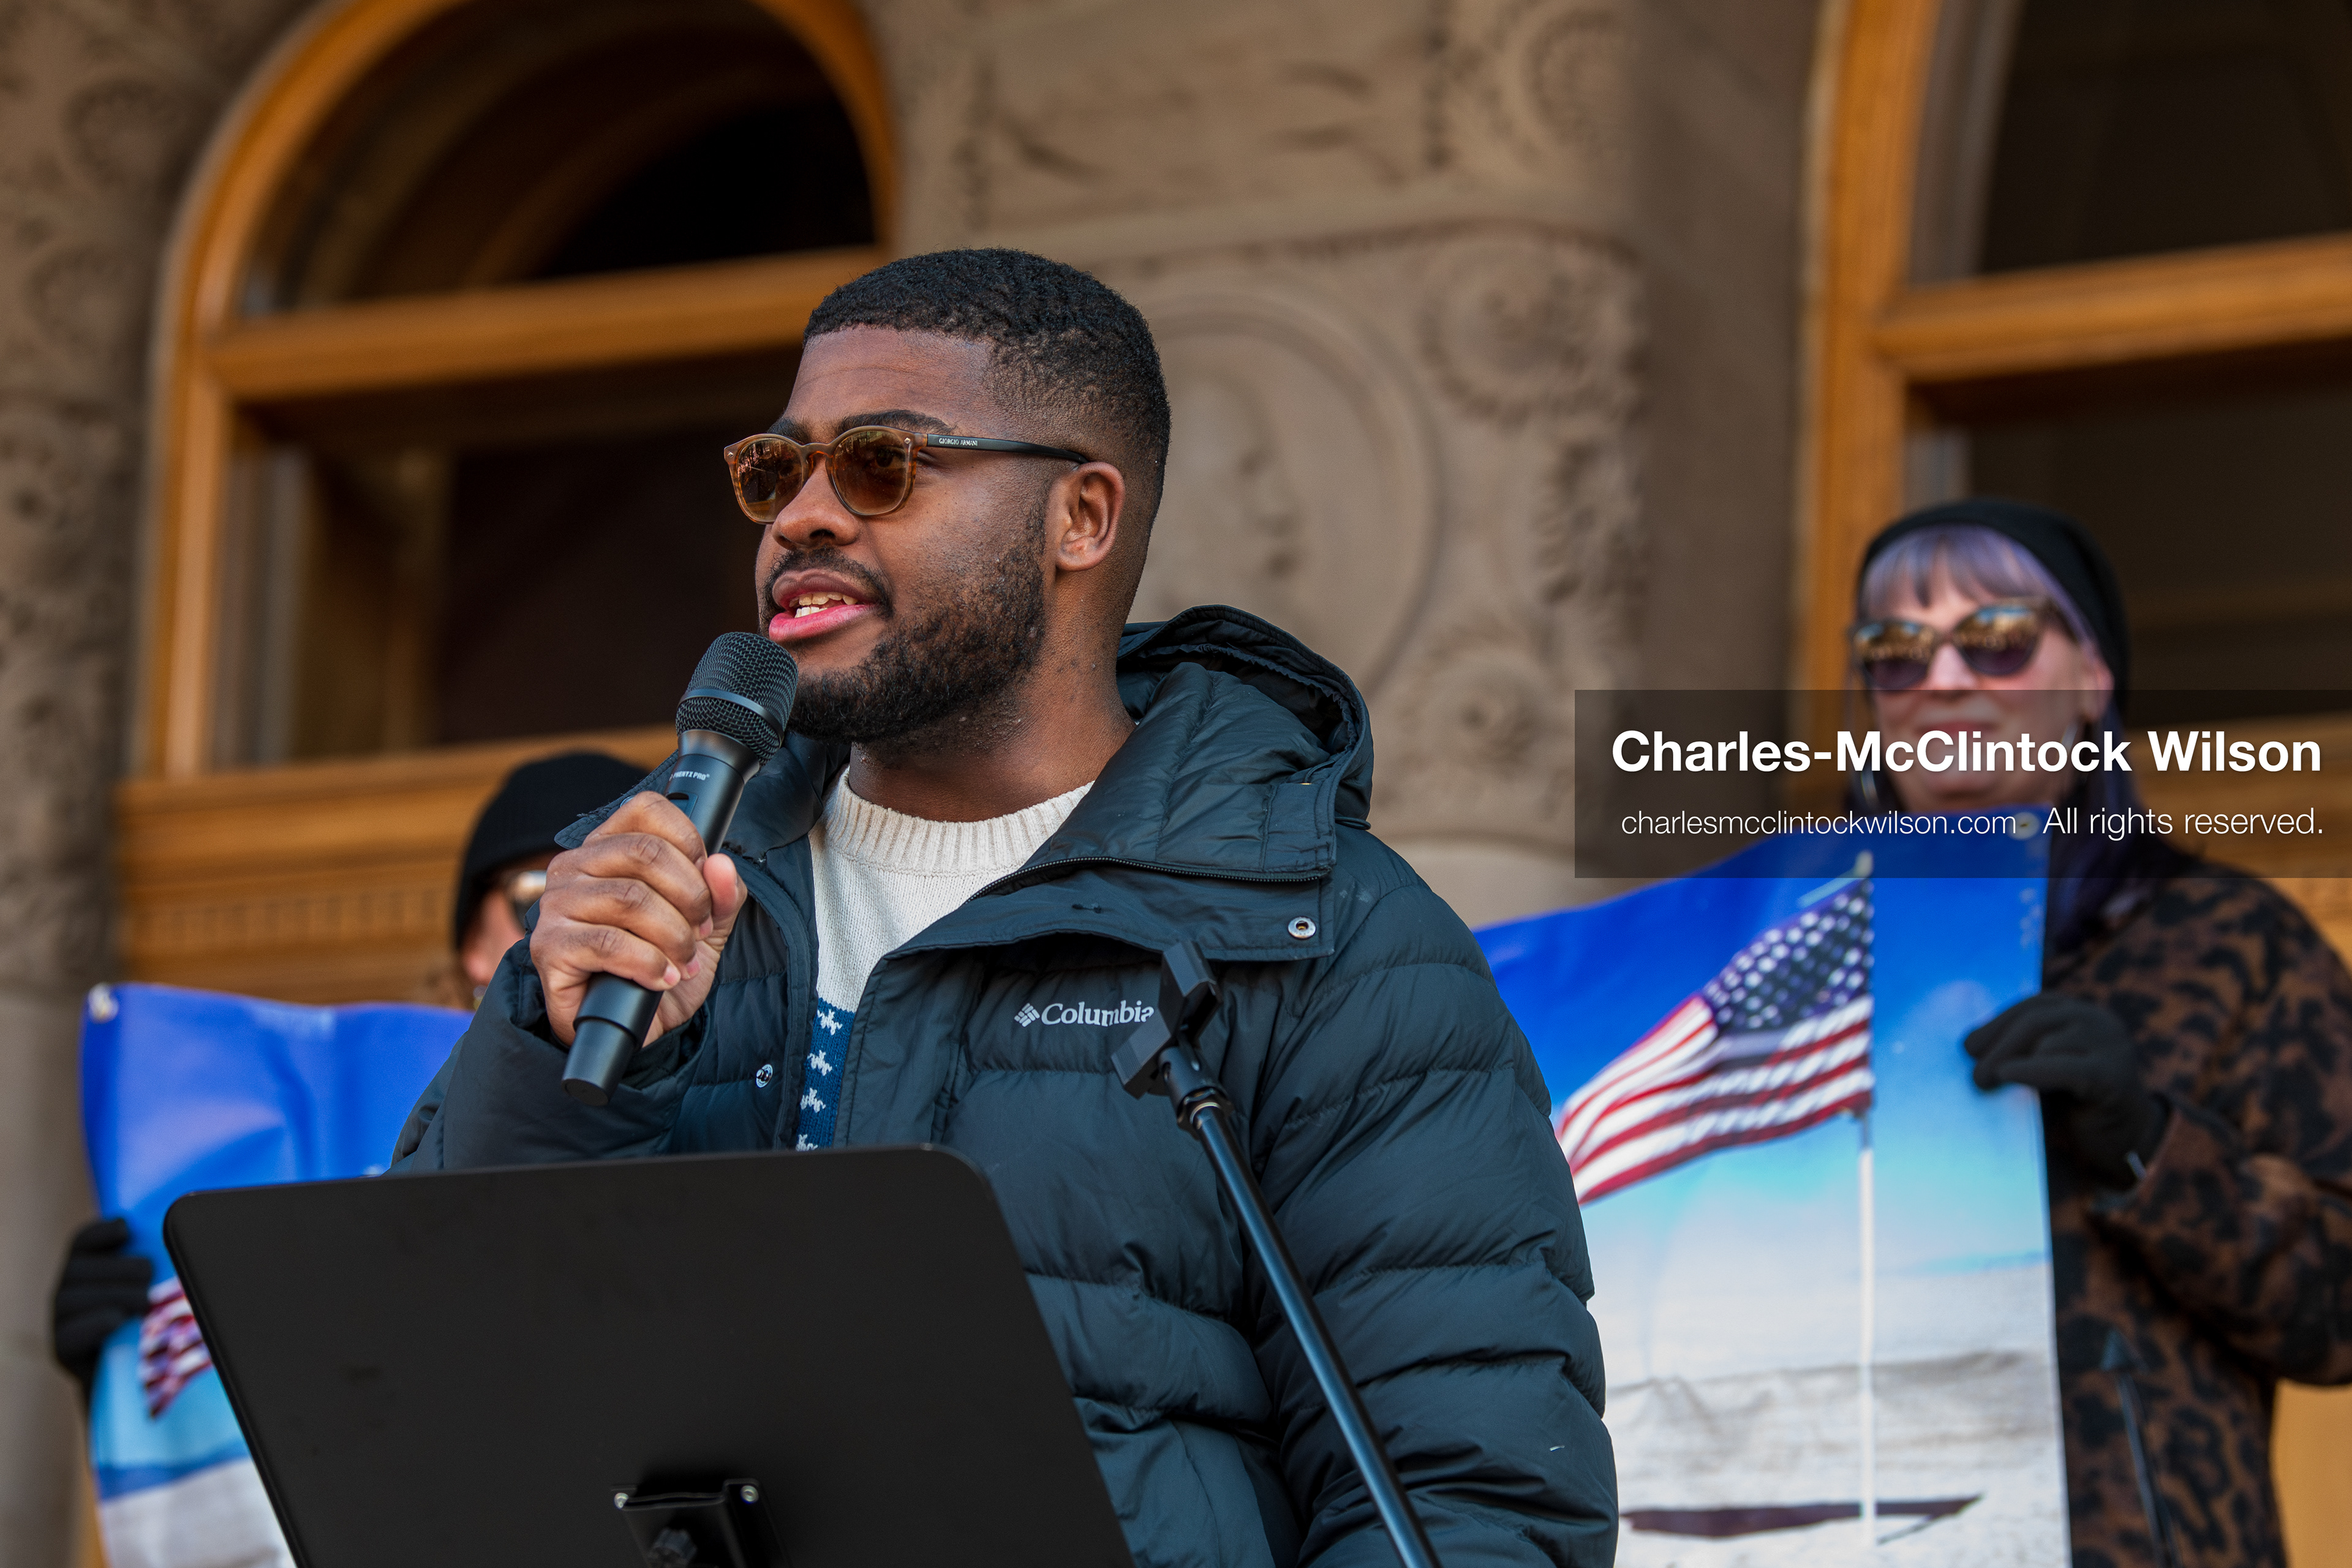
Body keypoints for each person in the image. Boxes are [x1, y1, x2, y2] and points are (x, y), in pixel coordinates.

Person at [390, 247, 1618, 1565]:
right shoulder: (661, 896)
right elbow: (424, 1391)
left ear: (1080, 519)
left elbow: (1470, 1504)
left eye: (880, 464)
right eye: (775, 469)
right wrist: (554, 1049)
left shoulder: (1328, 938)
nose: (803, 513)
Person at [1850, 497, 2352, 1568]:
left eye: (1998, 639)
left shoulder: (2236, 941)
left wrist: (2149, 1145)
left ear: (2094, 678)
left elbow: (2342, 1305)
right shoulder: (1781, 951)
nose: (1942, 680)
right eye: (1895, 650)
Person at [51, 751, 642, 1414]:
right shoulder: (366, 1109)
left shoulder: (742, 1103)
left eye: (627, 891)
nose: (578, 922)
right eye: (536, 893)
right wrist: (118, 1381)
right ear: (472, 944)